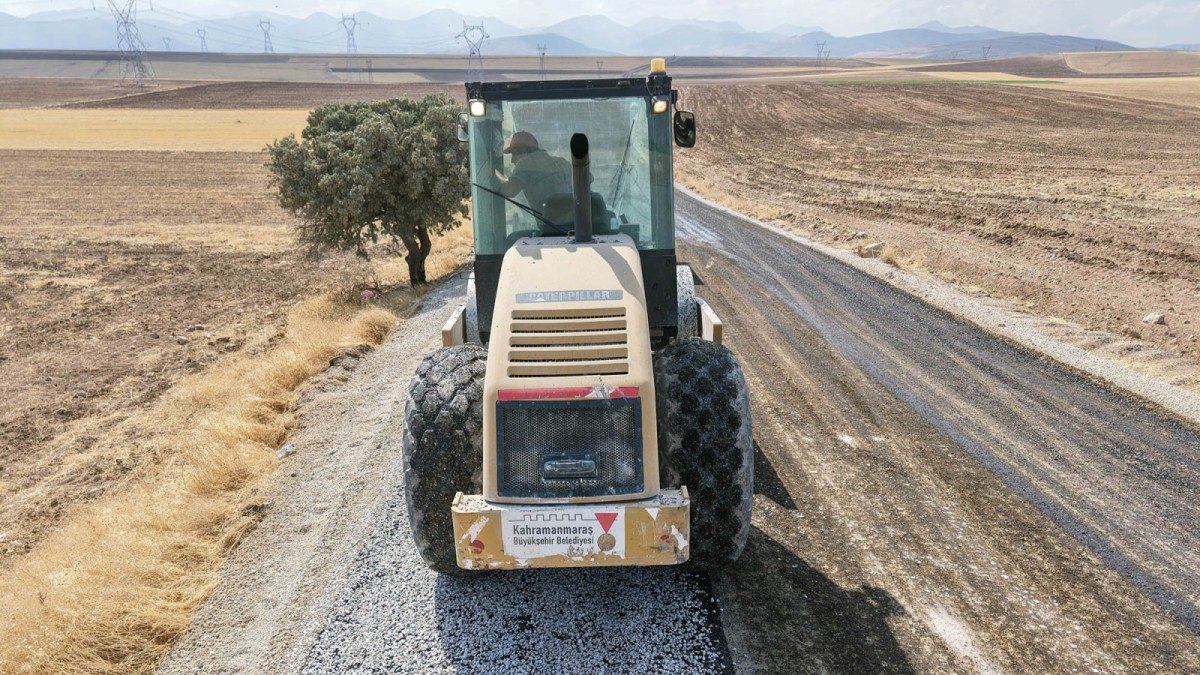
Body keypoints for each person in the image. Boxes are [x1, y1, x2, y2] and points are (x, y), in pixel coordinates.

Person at [494, 131, 573, 217]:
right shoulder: (563, 163)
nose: (512, 160)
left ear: (522, 151)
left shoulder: (525, 163)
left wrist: (493, 171)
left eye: (513, 154)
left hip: (551, 227)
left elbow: (510, 191)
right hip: (575, 224)